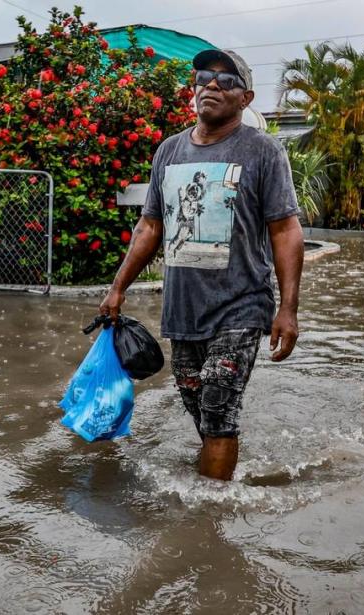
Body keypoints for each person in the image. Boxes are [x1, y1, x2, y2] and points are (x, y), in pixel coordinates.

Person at [99, 49, 304, 481]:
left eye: (226, 80)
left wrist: (287, 309)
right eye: (204, 77)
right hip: (183, 310)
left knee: (216, 405)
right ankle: (215, 482)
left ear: (245, 98)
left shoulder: (263, 151)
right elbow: (150, 227)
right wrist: (118, 288)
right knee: (200, 410)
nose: (211, 85)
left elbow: (285, 231)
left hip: (241, 305)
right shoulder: (169, 152)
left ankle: (208, 519)